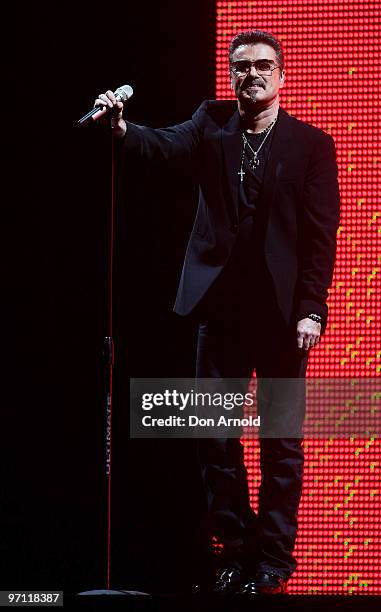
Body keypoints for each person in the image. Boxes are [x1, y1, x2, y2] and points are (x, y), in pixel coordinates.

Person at [94, 29, 340, 597]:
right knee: (213, 436)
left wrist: (312, 309)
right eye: (240, 67)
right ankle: (235, 550)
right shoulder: (212, 122)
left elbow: (319, 237)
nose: (250, 75)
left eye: (261, 66)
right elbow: (164, 144)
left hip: (281, 319)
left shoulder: (310, 145)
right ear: (230, 76)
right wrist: (123, 129)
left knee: (280, 440)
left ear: (281, 76)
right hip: (220, 312)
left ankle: (275, 560)